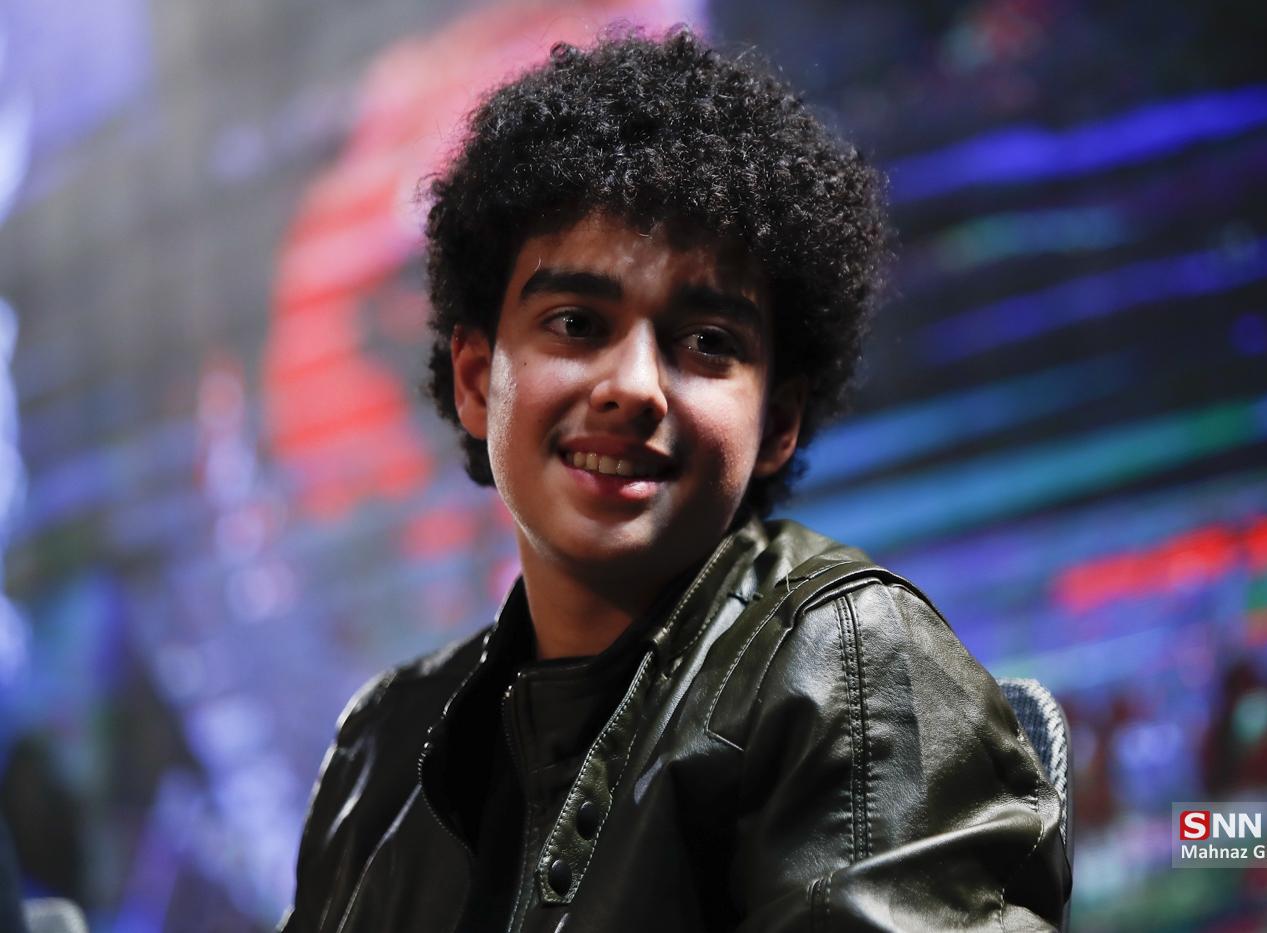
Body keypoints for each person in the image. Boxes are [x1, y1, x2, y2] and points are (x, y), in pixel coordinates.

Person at [280, 27, 1070, 932]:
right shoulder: (384, 739)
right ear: (474, 380)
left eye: (706, 341)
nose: (633, 387)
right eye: (577, 323)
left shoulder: (852, 667)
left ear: (777, 423)